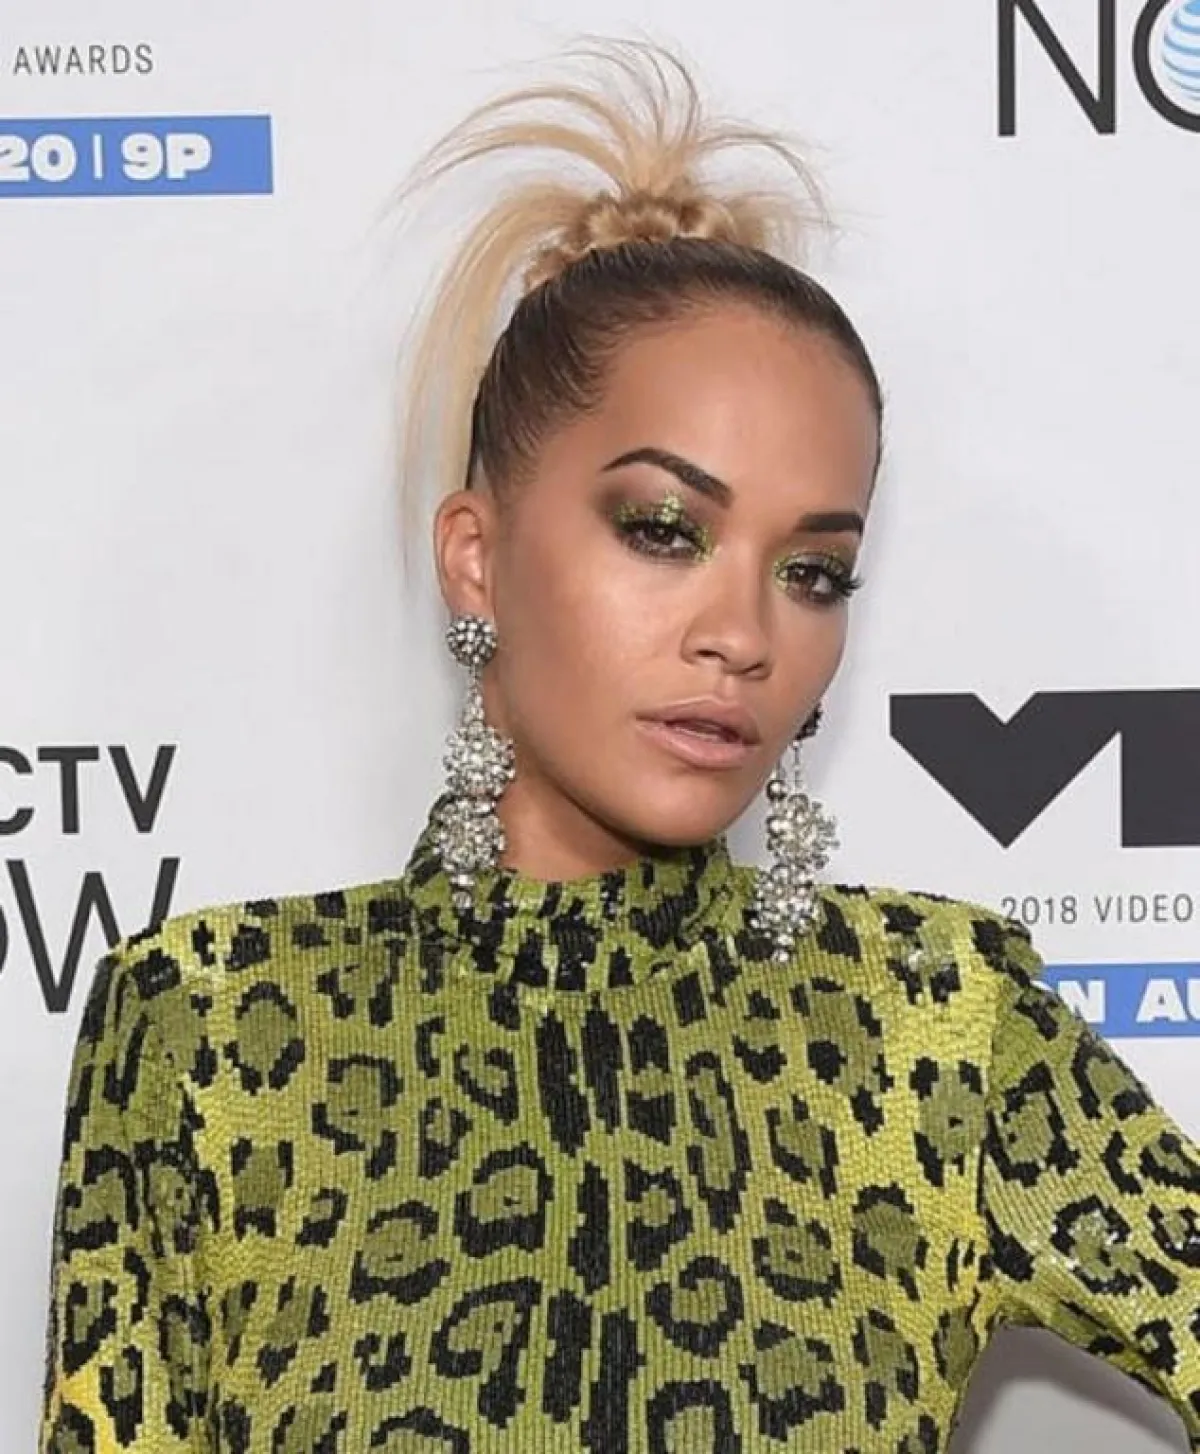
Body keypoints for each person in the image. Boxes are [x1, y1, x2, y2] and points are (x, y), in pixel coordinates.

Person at [39, 40, 1200, 1454]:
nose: (744, 634)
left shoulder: (940, 1027)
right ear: (476, 556)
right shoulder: (208, 1034)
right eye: (663, 530)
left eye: (813, 571)